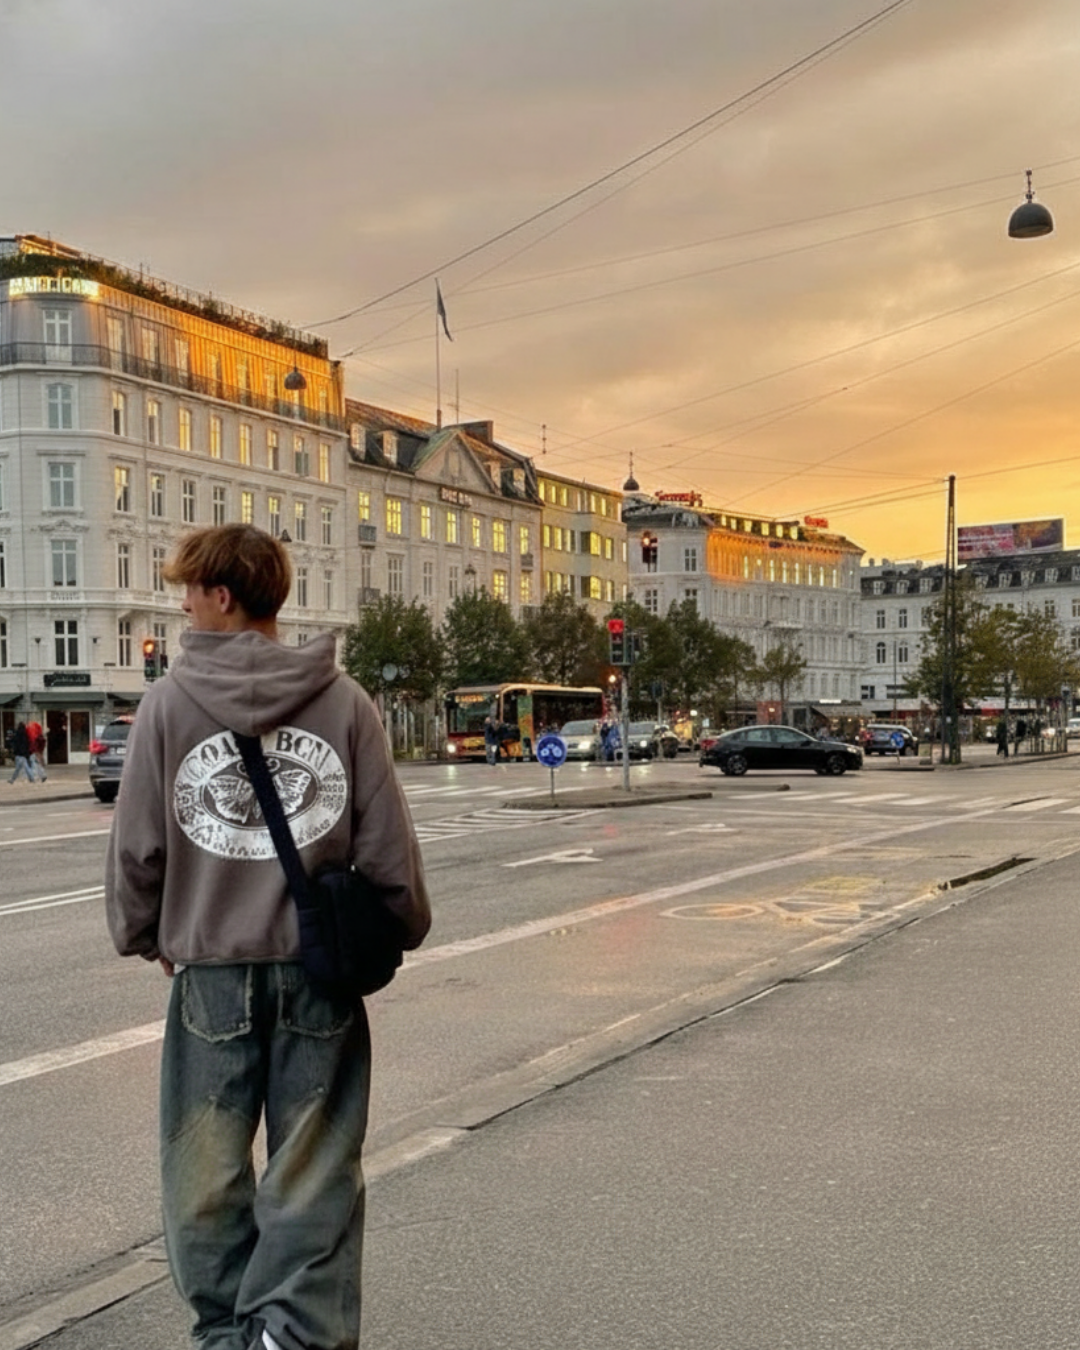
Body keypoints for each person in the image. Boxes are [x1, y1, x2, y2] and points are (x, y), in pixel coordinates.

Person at [105, 524, 431, 1350]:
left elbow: (139, 846)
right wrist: (396, 924)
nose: (181, 606)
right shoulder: (345, 701)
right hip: (316, 973)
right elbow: (388, 850)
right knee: (314, 1172)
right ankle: (295, 1335)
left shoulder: (169, 705)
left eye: (188, 590)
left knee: (202, 1173)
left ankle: (224, 1334)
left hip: (211, 973)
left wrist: (147, 935)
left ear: (222, 595)